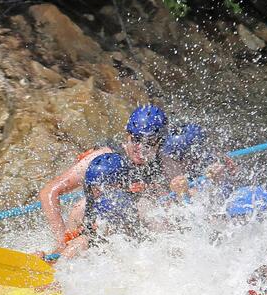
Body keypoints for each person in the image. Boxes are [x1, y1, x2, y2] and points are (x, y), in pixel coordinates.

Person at [40, 104, 170, 250]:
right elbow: (49, 192)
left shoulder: (164, 161)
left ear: (160, 143)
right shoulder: (103, 157)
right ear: (128, 136)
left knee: (150, 209)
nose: (141, 148)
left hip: (135, 229)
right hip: (95, 223)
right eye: (136, 139)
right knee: (81, 207)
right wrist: (61, 239)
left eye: (150, 142)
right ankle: (64, 251)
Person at [163, 123, 238, 199]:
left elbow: (236, 179)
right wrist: (180, 192)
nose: (181, 162)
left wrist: (219, 177)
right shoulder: (186, 174)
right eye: (176, 157)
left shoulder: (217, 161)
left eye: (182, 157)